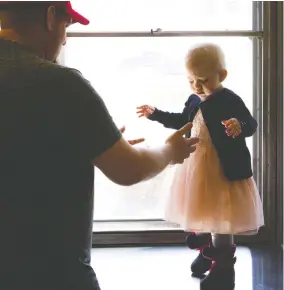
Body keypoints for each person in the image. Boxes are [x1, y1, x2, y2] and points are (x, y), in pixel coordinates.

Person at [0, 2, 199, 290]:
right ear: (50, 15)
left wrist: (96, 142)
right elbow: (129, 169)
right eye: (66, 25)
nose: (65, 38)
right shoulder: (62, 83)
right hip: (52, 273)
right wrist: (171, 150)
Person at [137, 43, 264, 290]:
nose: (196, 86)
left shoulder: (229, 99)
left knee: (222, 215)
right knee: (202, 209)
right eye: (191, 80)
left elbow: (251, 123)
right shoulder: (194, 99)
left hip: (223, 167)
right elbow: (181, 121)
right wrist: (156, 114)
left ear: (222, 75)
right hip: (197, 165)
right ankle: (208, 250)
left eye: (203, 80)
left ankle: (224, 268)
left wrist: (239, 126)